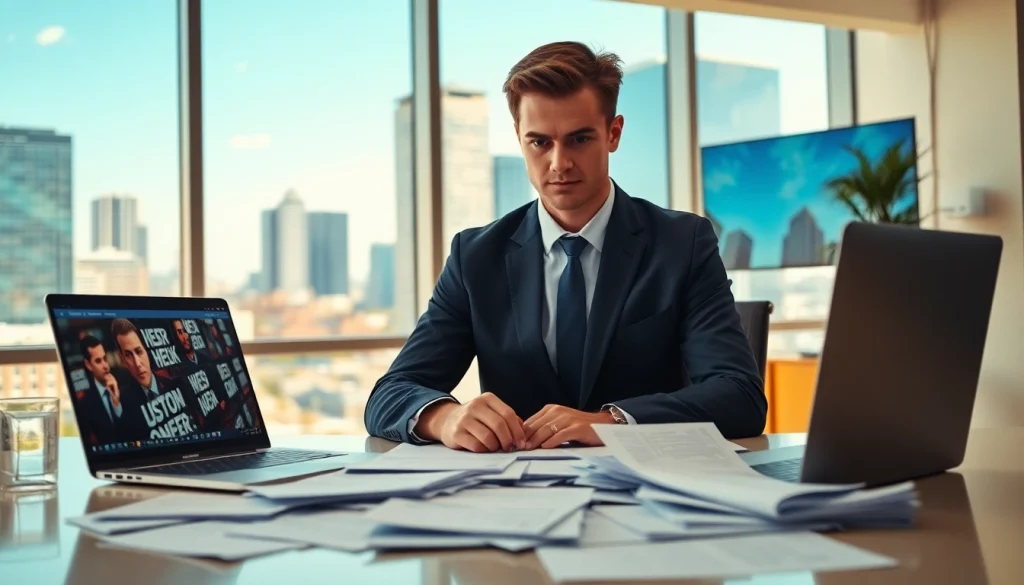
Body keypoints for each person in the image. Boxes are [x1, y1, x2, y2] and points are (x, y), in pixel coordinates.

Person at [364, 41, 766, 452]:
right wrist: (444, 417)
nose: (559, 163)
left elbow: (739, 396)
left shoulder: (683, 243)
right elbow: (390, 394)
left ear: (613, 133)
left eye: (578, 139)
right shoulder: (476, 256)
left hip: (647, 491)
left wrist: (611, 423)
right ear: (519, 138)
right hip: (515, 496)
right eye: (539, 142)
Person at [77, 335, 148, 445]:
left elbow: (138, 430)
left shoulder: (125, 382)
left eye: (105, 359)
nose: (105, 366)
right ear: (88, 365)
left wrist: (117, 406)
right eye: (98, 361)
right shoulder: (85, 403)